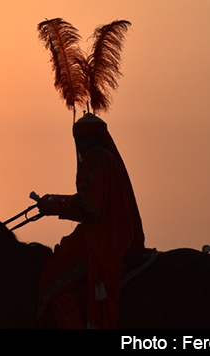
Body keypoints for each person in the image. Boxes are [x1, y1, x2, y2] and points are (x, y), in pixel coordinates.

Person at [37, 113, 146, 329]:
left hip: (100, 238)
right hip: (114, 234)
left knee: (51, 278)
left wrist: (50, 203)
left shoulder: (94, 158)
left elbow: (90, 207)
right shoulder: (108, 157)